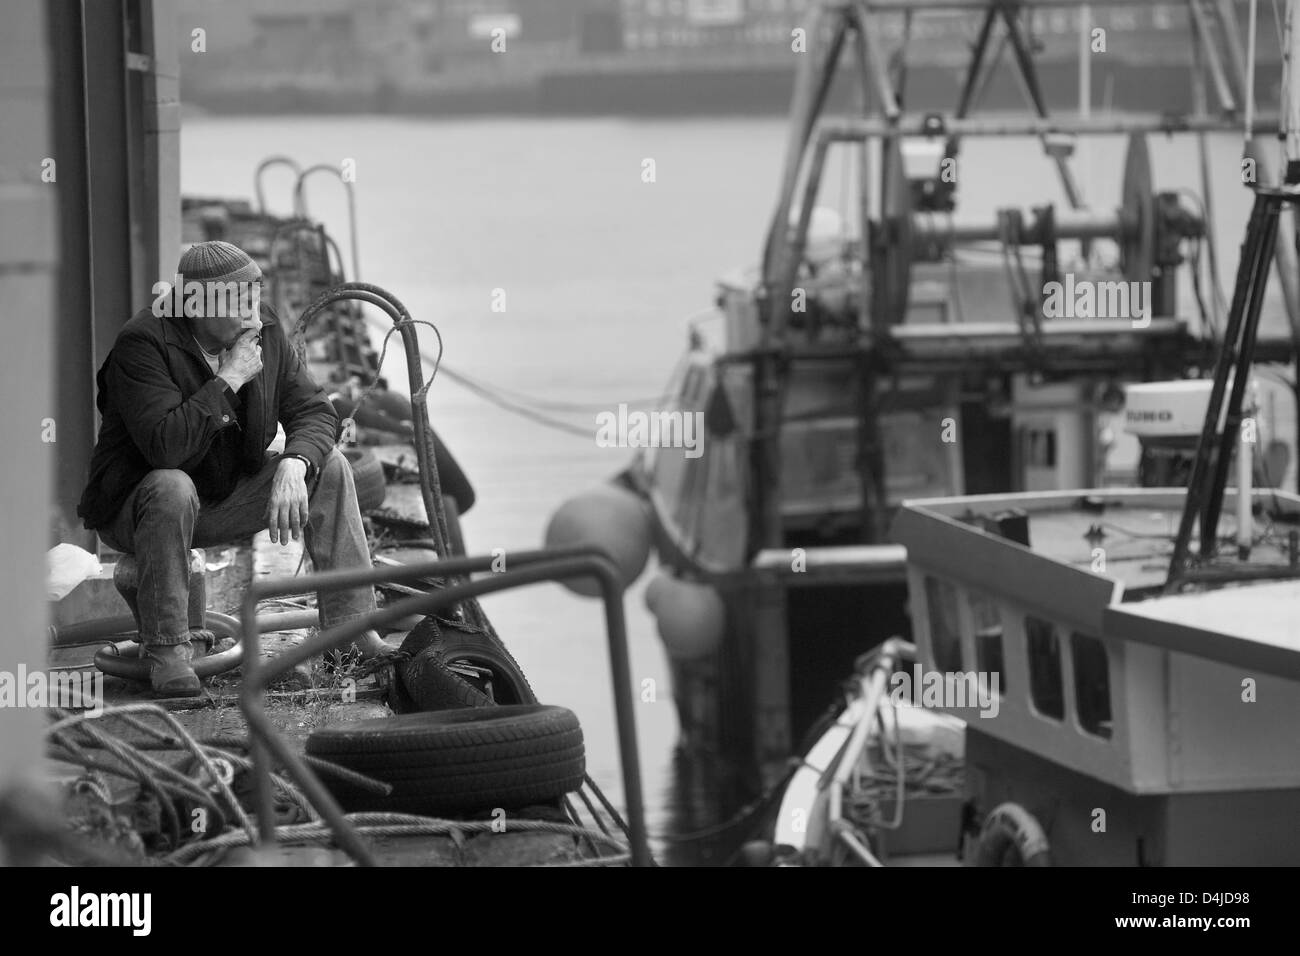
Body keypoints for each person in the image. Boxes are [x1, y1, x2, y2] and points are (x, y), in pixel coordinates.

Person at [77, 240, 389, 696]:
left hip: (220, 498)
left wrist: (295, 464)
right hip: (138, 507)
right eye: (239, 299)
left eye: (254, 293)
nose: (252, 312)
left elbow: (316, 411)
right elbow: (166, 448)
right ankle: (168, 651)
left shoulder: (264, 326)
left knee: (332, 466)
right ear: (197, 305)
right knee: (171, 485)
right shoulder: (143, 344)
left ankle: (352, 628)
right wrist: (229, 380)